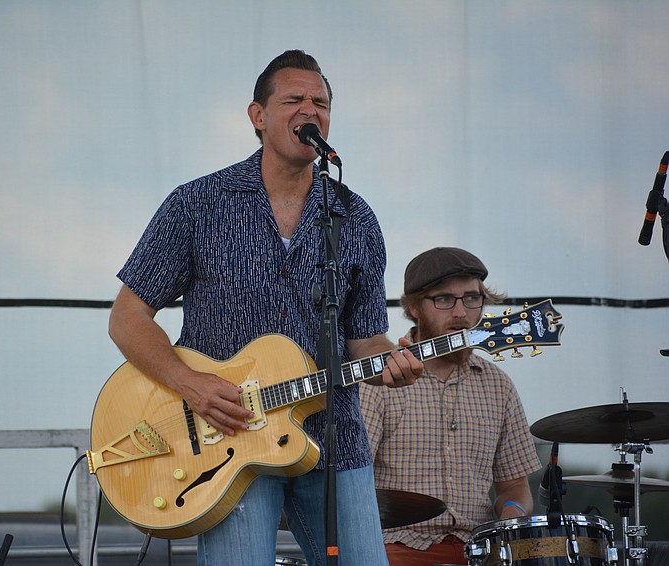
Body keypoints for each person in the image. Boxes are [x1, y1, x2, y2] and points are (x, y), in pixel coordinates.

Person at [108, 49, 422, 566]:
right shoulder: (198, 204)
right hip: (228, 444)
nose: (309, 109)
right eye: (293, 99)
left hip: (333, 442)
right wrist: (192, 385)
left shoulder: (354, 216)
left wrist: (392, 362)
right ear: (258, 117)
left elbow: (366, 340)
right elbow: (127, 317)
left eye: (320, 102)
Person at [359, 247, 542, 566]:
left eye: (472, 298)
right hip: (396, 548)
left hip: (479, 551)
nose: (461, 313)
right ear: (414, 307)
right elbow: (353, 482)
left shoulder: (498, 385)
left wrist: (510, 517)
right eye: (444, 299)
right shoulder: (380, 381)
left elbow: (514, 486)